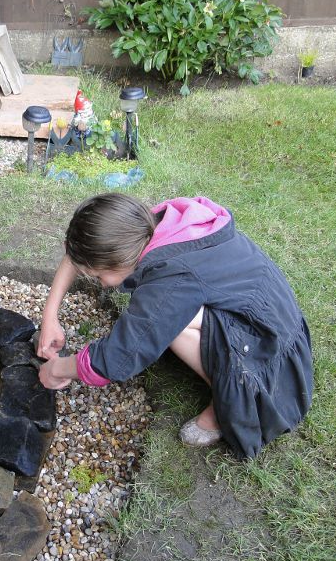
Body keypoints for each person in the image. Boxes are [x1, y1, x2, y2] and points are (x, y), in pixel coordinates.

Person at [37, 193, 313, 459]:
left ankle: (226, 407)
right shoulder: (151, 225)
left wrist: (58, 369)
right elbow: (81, 252)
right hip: (265, 317)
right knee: (163, 316)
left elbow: (119, 357)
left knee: (163, 322)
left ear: (117, 260)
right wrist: (50, 316)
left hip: (266, 359)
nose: (102, 284)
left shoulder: (172, 283)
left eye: (98, 277)